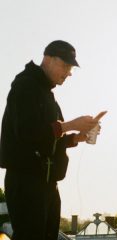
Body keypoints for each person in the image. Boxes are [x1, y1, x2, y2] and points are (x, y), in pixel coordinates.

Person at [0, 40, 100, 240]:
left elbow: (49, 139)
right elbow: (27, 132)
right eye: (65, 65)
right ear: (47, 59)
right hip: (26, 180)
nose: (68, 72)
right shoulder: (25, 85)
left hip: (46, 183)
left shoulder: (47, 94)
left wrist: (77, 138)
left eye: (70, 68)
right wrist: (70, 125)